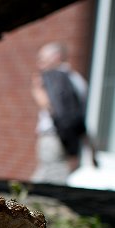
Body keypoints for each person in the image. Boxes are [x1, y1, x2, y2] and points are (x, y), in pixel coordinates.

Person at [31, 42, 97, 184]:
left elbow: (50, 106)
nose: (39, 63)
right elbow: (79, 115)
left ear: (57, 56)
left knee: (52, 178)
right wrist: (88, 145)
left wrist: (37, 91)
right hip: (70, 137)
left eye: (42, 59)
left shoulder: (52, 77)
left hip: (55, 135)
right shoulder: (77, 79)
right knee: (49, 174)